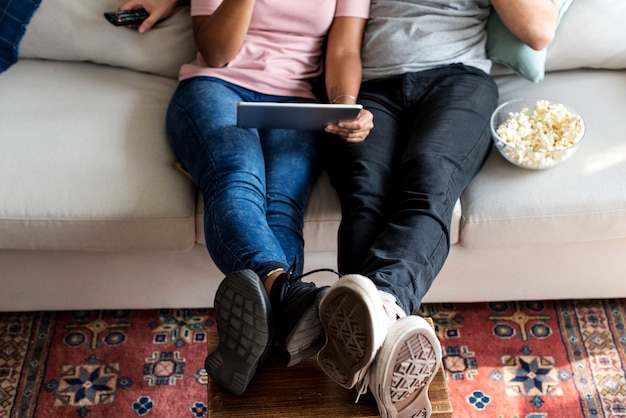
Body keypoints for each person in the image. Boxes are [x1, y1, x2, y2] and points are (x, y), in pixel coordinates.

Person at [119, 0, 374, 397]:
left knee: (282, 209)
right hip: (216, 87)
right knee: (238, 177)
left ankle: (267, 331)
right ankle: (289, 295)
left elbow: (343, 51)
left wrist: (344, 106)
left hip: (296, 104)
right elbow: (217, 53)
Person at [317, 0, 560, 416]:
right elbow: (343, 44)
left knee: (428, 179)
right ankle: (382, 357)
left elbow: (538, 30)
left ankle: (383, 308)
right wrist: (346, 102)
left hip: (458, 80)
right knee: (364, 193)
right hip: (372, 88)